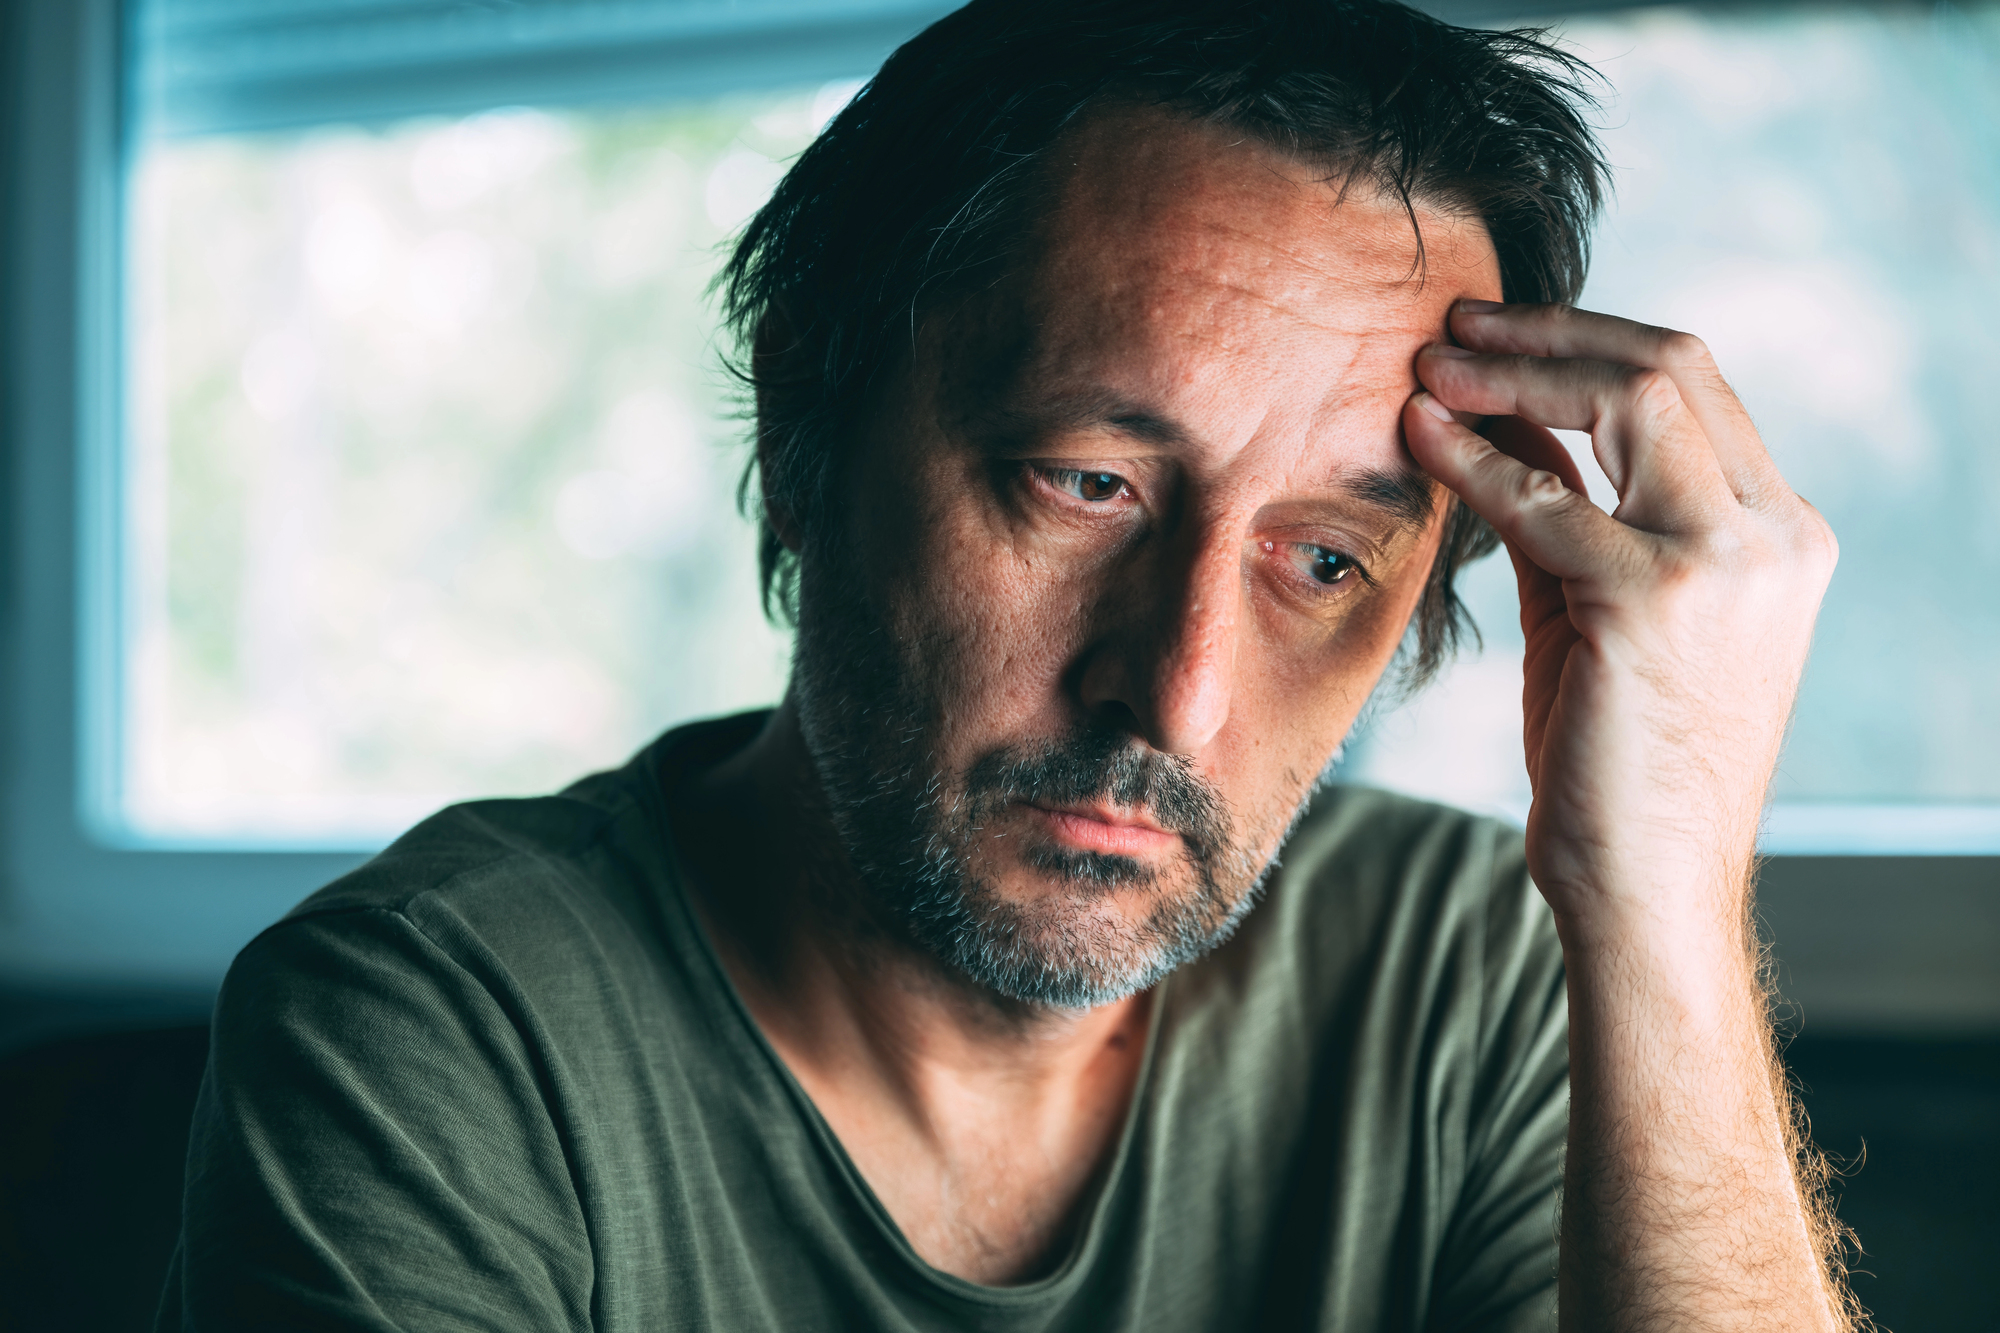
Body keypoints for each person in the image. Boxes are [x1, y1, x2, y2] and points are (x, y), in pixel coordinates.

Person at [158, 1, 1864, 1329]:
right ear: (815, 431)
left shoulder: (1476, 978)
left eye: (1327, 559)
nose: (1177, 695)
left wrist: (1665, 897)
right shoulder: (433, 1036)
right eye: (1090, 484)